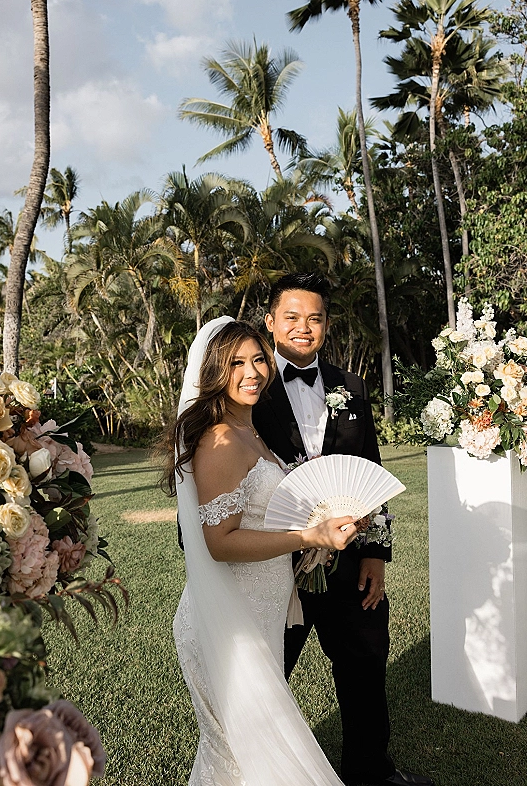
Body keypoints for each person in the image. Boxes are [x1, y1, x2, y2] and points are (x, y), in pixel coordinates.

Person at [252, 273, 434, 786]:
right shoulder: (246, 387)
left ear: (327, 325)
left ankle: (371, 772)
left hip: (351, 558)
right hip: (275, 562)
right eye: (291, 317)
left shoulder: (350, 387)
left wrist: (376, 553)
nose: (303, 328)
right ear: (270, 322)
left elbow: (370, 471)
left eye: (315, 318)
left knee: (365, 666)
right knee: (266, 674)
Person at [169, 316, 361, 786]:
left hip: (259, 613)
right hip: (226, 622)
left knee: (243, 755)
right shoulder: (219, 440)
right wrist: (308, 538)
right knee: (243, 754)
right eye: (236, 363)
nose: (252, 371)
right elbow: (220, 542)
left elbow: (256, 514)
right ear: (214, 370)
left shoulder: (249, 430)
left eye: (258, 359)